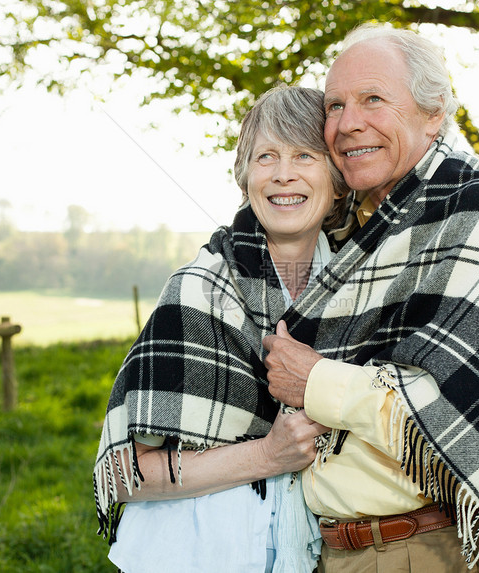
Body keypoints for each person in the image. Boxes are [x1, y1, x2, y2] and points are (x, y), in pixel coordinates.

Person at [262, 24, 479, 573]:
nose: (348, 123)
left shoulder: (478, 213)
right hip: (333, 550)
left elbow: (462, 406)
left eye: (373, 99)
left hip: (434, 550)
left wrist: (316, 382)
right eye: (334, 105)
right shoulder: (347, 226)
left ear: (434, 112)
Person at [93, 85, 351, 572]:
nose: (282, 174)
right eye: (265, 156)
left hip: (305, 551)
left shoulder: (361, 291)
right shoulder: (197, 290)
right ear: (246, 178)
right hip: (193, 552)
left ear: (338, 179)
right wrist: (268, 455)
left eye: (304, 154)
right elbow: (124, 475)